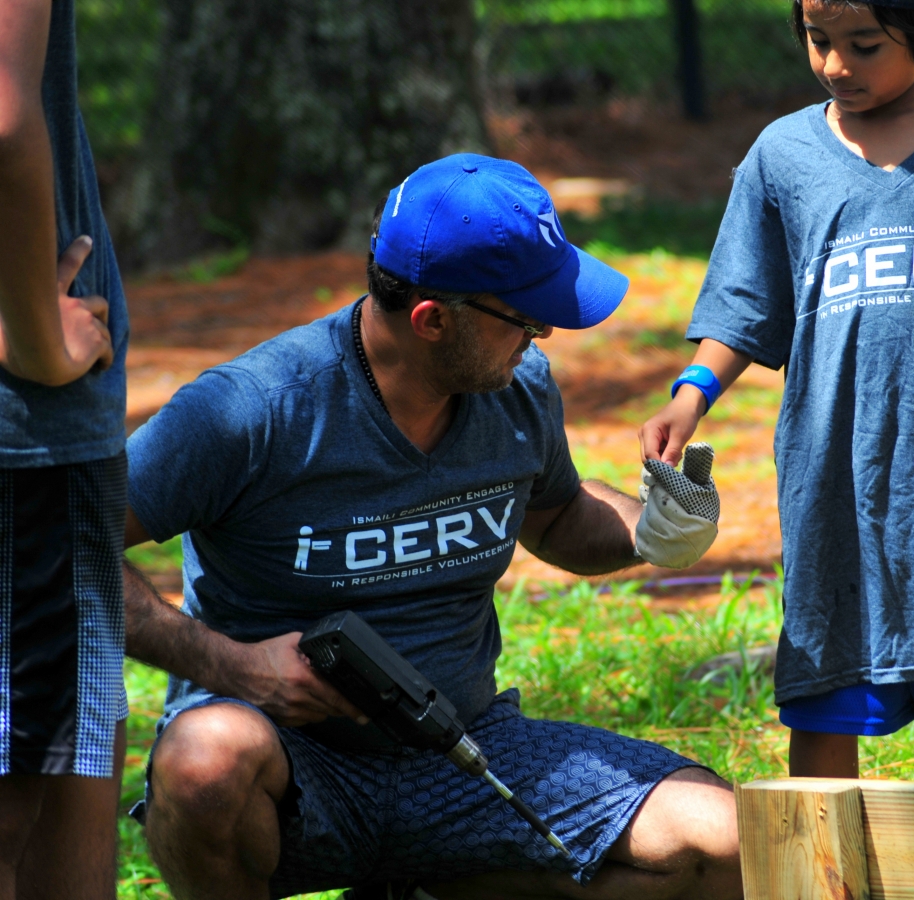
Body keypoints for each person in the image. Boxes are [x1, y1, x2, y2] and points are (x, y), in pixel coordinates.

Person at [121, 154, 740, 900]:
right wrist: (233, 667)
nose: (542, 336)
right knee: (203, 762)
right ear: (432, 318)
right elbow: (59, 542)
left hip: (467, 752)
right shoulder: (254, 410)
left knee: (726, 844)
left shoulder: (514, 385)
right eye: (526, 319)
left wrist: (652, 528)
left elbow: (555, 513)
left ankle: (424, 883)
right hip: (291, 766)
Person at [640, 0, 914, 784]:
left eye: (864, 45)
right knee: (824, 677)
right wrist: (692, 391)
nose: (836, 65)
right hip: (833, 471)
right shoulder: (784, 155)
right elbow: (747, 300)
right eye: (818, 41)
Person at [0, 0, 131, 897]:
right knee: (25, 799)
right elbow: (5, 116)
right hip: (24, 443)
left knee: (76, 753)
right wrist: (37, 339)